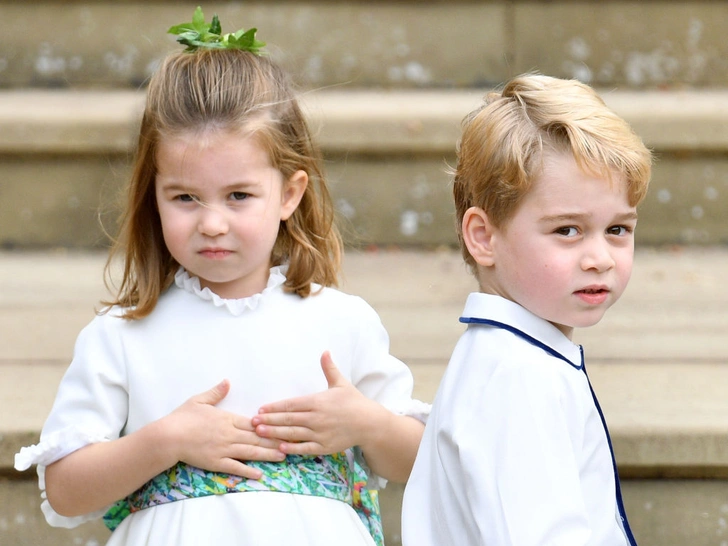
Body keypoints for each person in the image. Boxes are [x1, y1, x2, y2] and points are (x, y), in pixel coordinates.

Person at [15, 8, 427, 546]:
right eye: (185, 197)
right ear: (154, 197)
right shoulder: (123, 335)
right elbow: (65, 491)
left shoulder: (341, 321)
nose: (212, 223)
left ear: (289, 193)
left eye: (238, 195)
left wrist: (367, 424)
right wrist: (165, 440)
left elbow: (425, 462)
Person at [401, 73, 652, 546]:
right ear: (483, 237)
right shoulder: (518, 377)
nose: (599, 257)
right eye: (567, 230)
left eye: (617, 229)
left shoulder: (511, 359)